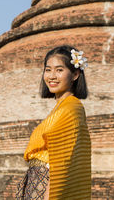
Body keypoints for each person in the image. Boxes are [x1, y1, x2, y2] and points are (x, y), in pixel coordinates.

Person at [16, 45, 92, 200]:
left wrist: (49, 195)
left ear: (75, 74)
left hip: (48, 188)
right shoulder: (60, 108)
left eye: (59, 70)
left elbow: (63, 160)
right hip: (37, 183)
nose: (51, 76)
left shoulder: (72, 108)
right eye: (48, 69)